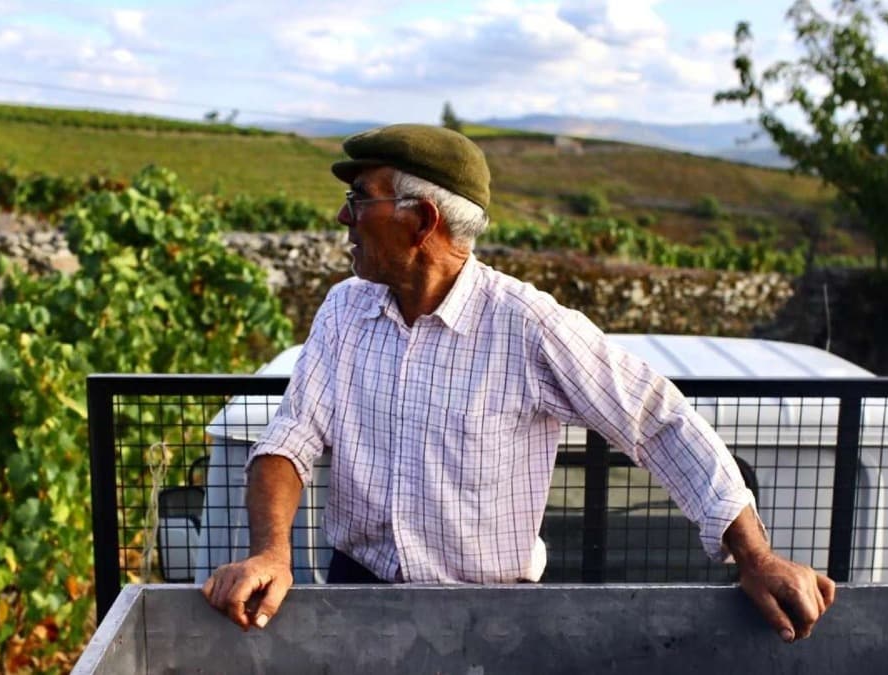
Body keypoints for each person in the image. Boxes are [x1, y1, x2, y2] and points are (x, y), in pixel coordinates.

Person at [201, 123, 835, 642]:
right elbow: (289, 440)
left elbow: (660, 420)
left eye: (362, 198)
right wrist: (271, 555)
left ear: (422, 221)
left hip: (493, 620)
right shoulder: (345, 309)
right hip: (357, 597)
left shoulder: (528, 326)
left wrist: (757, 559)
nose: (344, 215)